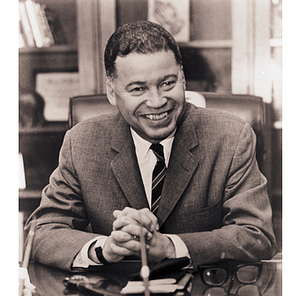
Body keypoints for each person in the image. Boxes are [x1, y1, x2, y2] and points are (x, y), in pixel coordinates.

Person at [26, 21, 276, 271]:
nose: (157, 102)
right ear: (112, 92)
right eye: (138, 89)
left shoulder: (230, 137)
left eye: (168, 83)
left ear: (183, 79)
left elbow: (256, 236)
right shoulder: (81, 143)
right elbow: (41, 232)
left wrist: (171, 246)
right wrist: (104, 248)